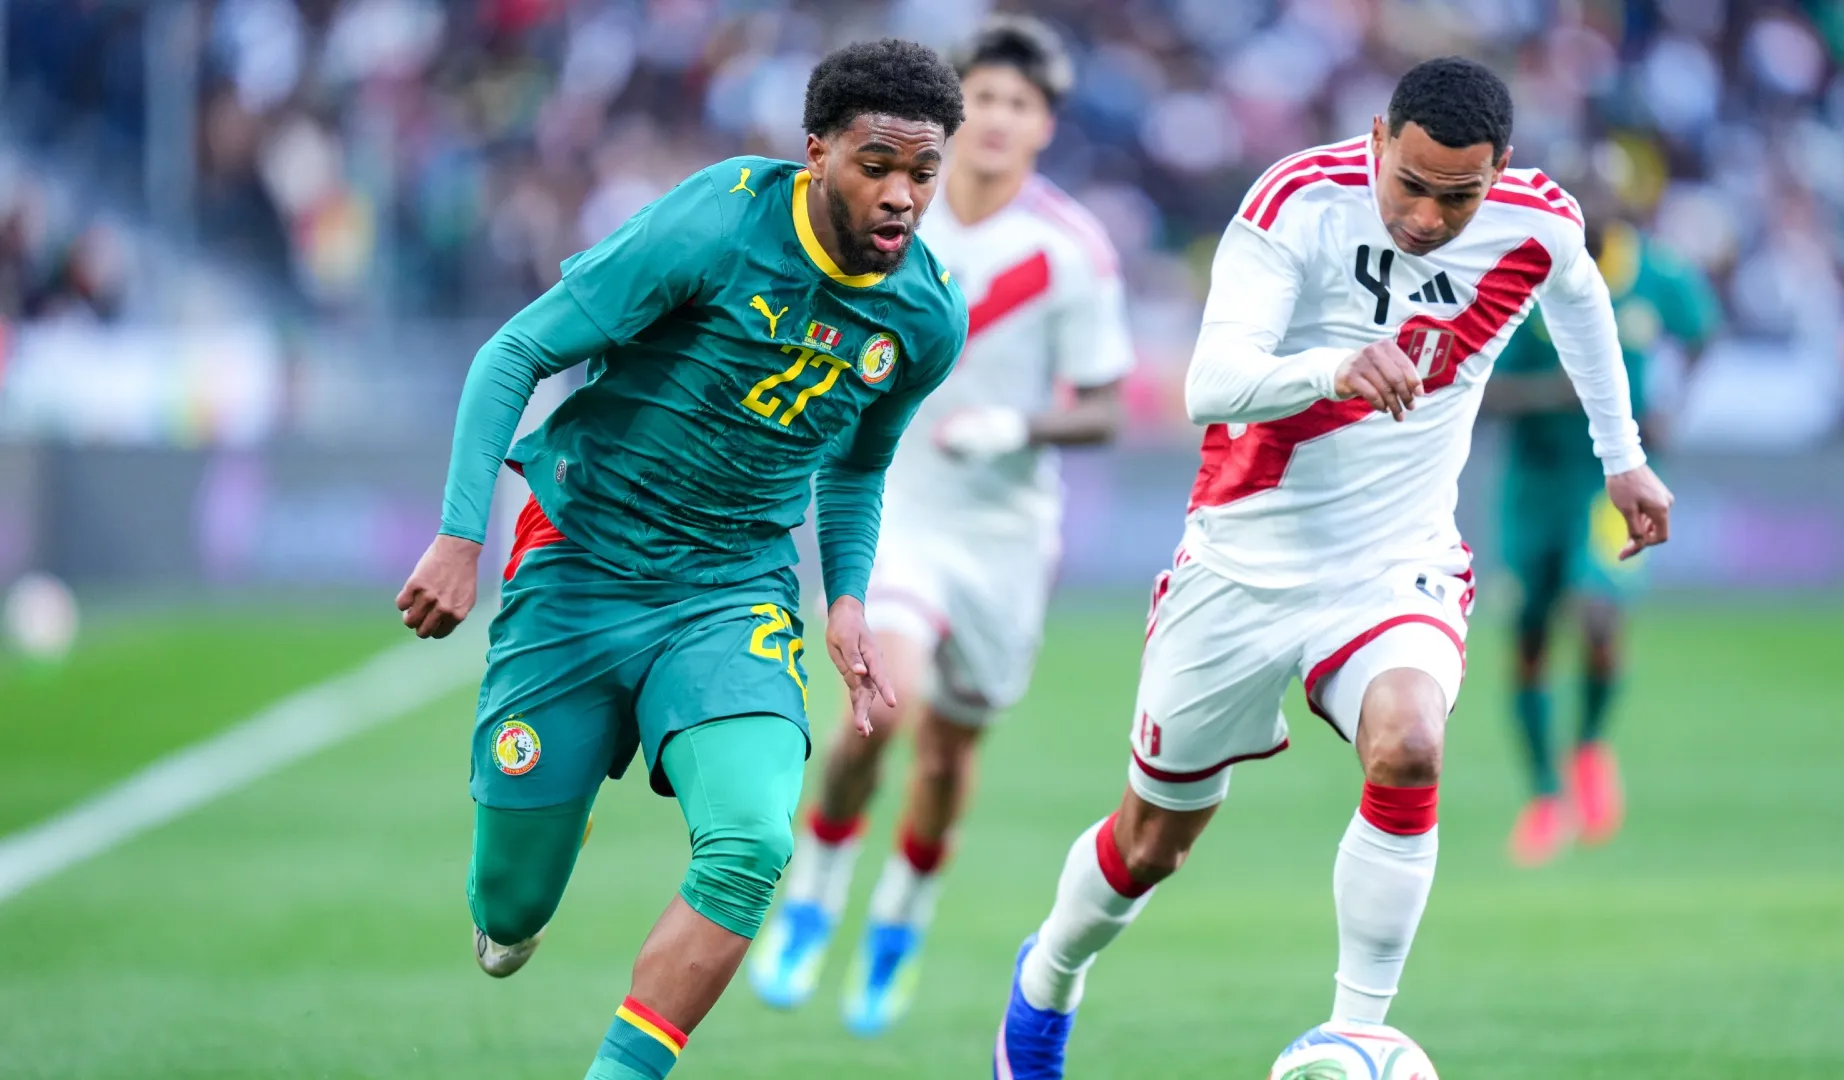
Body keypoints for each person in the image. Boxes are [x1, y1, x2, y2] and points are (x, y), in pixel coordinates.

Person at [990, 56, 1675, 1078]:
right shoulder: (1297, 201)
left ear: (1502, 174)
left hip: (1395, 563)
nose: (1431, 216)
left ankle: (1357, 1034)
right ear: (1374, 141)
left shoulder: (1537, 221)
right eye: (1411, 184)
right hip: (1240, 564)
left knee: (1409, 746)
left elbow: (1578, 298)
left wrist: (1620, 458)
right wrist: (1333, 366)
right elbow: (1208, 383)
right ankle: (1044, 981)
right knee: (1150, 846)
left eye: (1460, 195)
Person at [392, 39, 967, 1080]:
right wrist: (459, 534)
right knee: (510, 911)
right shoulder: (716, 221)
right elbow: (515, 351)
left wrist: (845, 602)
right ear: (817, 152)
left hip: (728, 592)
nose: (902, 196)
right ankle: (531, 864)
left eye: (923, 173)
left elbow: (858, 467)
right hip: (580, 565)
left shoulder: (924, 316)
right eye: (877, 164)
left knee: (750, 844)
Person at [749, 16, 1133, 1038]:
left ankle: (898, 924)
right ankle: (814, 893)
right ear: (958, 111)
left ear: (1045, 125)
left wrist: (1018, 424)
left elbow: (1105, 401)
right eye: (986, 100)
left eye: (1021, 105)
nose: (1000, 120)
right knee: (887, 700)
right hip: (900, 508)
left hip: (1007, 536)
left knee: (950, 758)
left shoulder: (1069, 250)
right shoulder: (892, 213)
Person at [1485, 202, 1718, 866]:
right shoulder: (1514, 278)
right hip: (1534, 486)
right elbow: (1479, 393)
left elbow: (1703, 330)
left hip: (1607, 478)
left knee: (1598, 609)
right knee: (1529, 637)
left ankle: (1587, 745)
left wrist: (1674, 407)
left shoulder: (1653, 273)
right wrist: (1558, 392)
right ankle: (1543, 795)